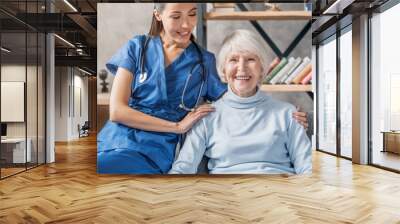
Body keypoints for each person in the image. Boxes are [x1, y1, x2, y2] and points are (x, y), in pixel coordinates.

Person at [97, 3, 308, 174]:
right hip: (116, 139)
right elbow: (117, 111)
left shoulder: (204, 61)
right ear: (158, 15)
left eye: (192, 15)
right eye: (176, 16)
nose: (187, 25)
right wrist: (178, 127)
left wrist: (288, 115)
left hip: (157, 148)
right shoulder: (137, 47)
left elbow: (236, 94)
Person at [169, 29, 312, 174]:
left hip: (278, 192)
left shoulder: (289, 114)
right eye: (233, 60)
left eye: (250, 59)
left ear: (262, 69)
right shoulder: (206, 117)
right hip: (226, 193)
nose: (242, 68)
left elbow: (307, 167)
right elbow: (183, 168)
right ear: (223, 69)